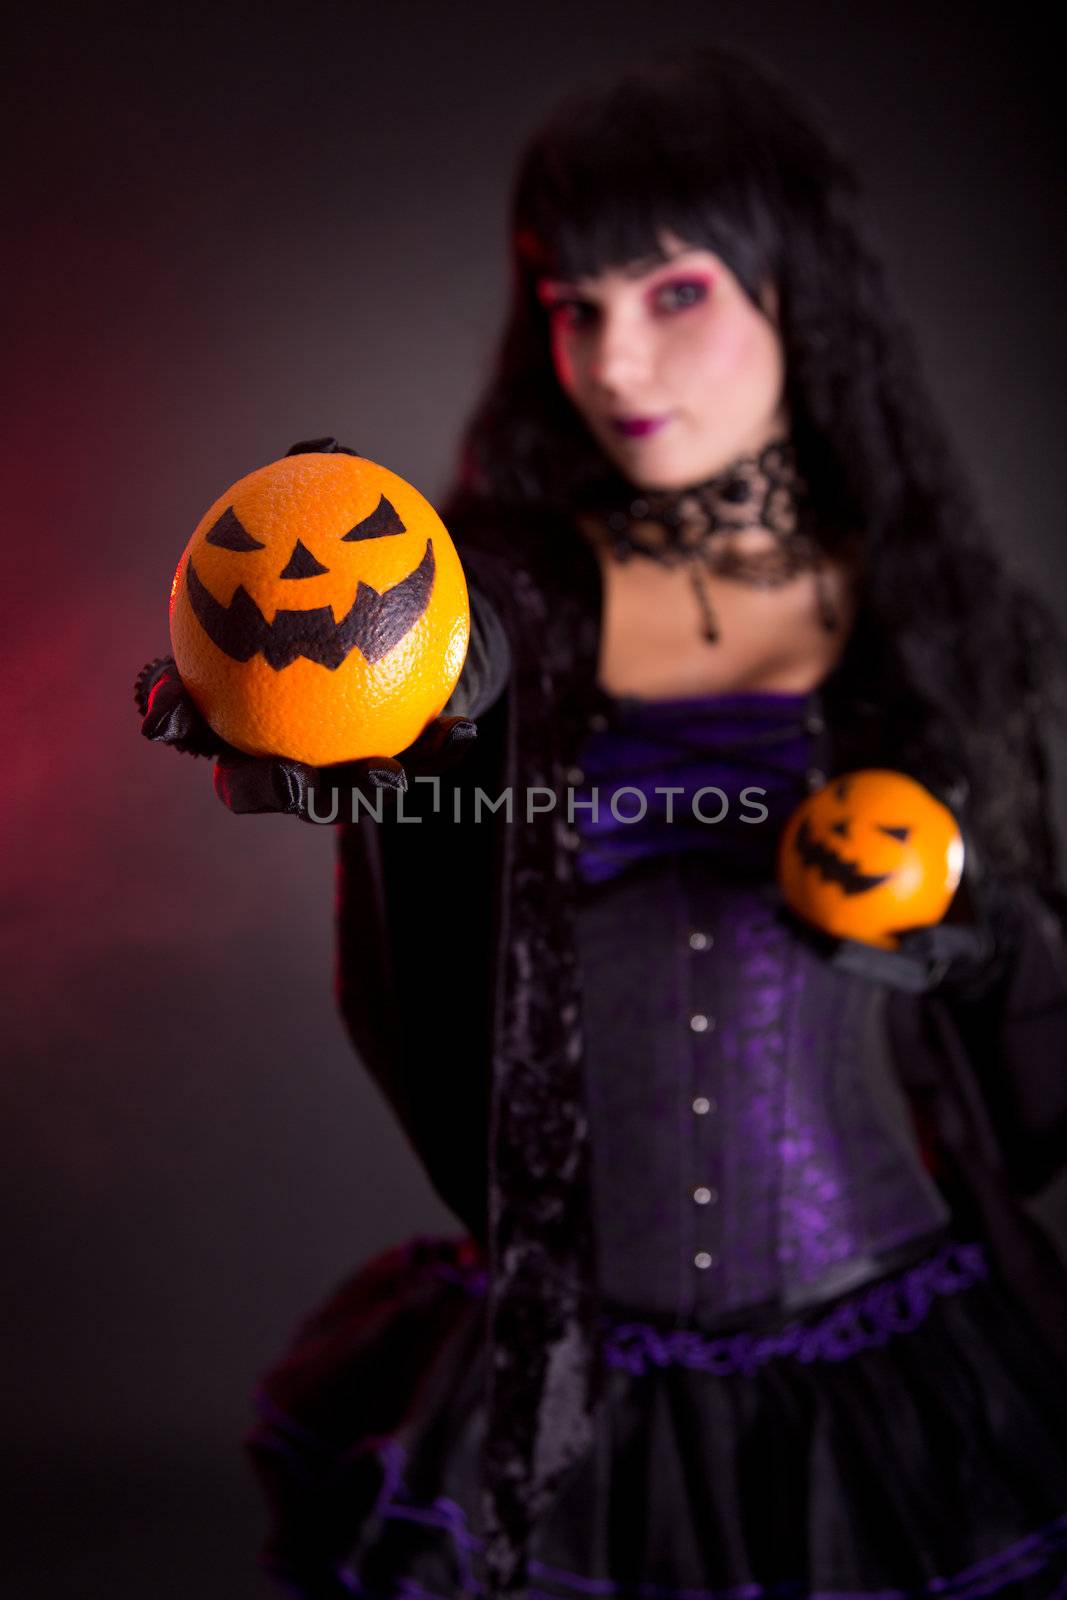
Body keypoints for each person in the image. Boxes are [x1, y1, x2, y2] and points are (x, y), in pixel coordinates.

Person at [137, 44, 1067, 1600]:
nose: (618, 363)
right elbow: (453, 676)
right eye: (574, 305)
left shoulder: (944, 629)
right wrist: (367, 718)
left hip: (887, 1346)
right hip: (567, 1367)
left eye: (674, 291)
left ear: (798, 290)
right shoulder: (506, 589)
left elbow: (1036, 997)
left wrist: (959, 923)